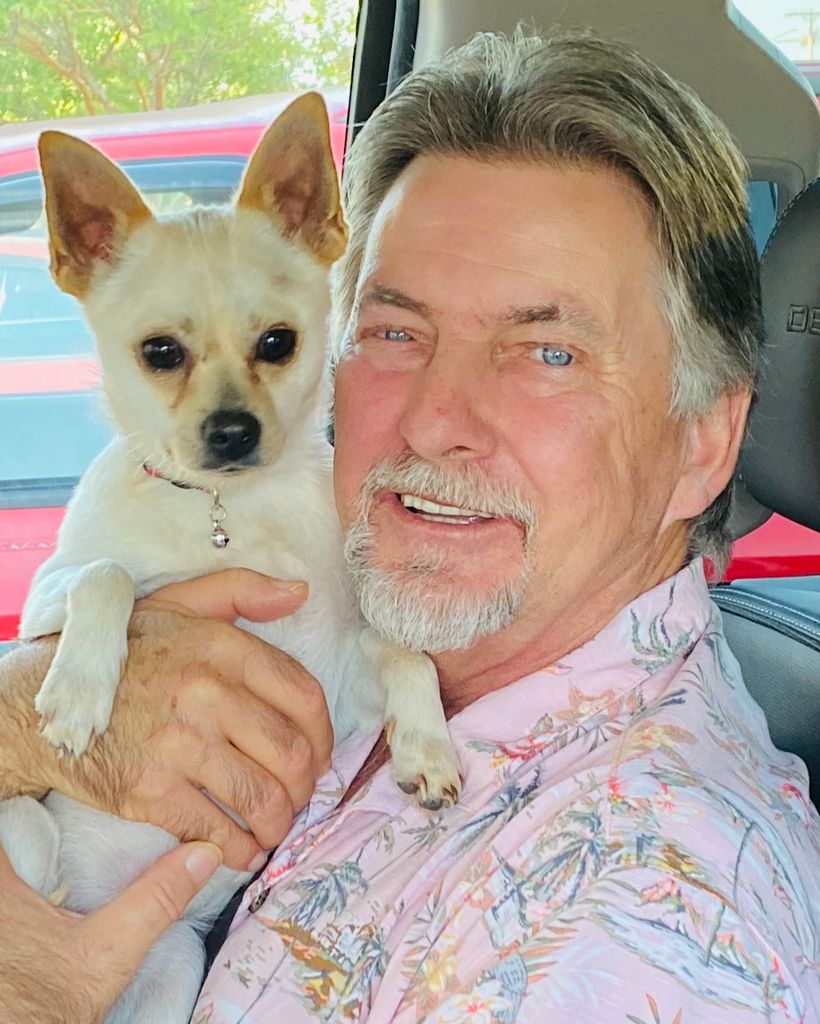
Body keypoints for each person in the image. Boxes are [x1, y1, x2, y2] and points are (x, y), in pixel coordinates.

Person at [1, 29, 818, 1024]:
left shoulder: (633, 917)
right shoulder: (400, 636)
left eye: (546, 352)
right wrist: (22, 722)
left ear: (701, 440)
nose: (434, 419)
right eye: (394, 331)